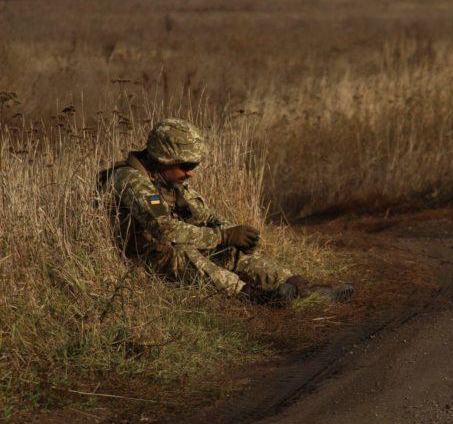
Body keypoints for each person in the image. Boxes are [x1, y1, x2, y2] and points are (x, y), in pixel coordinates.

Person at [98, 117, 354, 304]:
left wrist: (235, 234)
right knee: (182, 251)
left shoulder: (169, 179)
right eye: (186, 165)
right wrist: (223, 236)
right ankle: (250, 297)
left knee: (228, 250)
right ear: (164, 159)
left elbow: (204, 214)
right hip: (146, 258)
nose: (191, 172)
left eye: (193, 164)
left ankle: (300, 288)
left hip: (172, 246)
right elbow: (164, 230)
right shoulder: (131, 180)